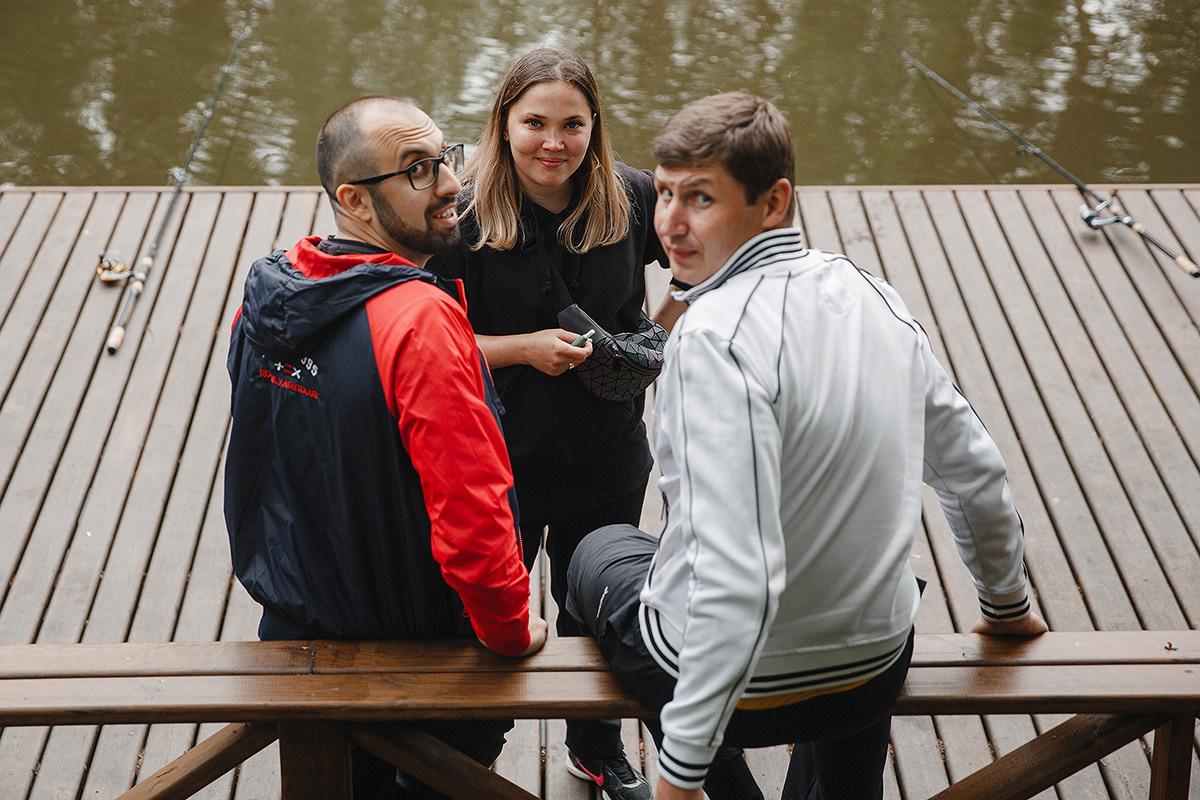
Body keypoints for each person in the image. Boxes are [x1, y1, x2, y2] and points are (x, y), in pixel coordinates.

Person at [566, 92, 1049, 800]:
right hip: (870, 673)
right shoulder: (872, 294)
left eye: (700, 198)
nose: (669, 222)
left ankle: (629, 761)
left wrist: (681, 776)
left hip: (742, 695)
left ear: (774, 201)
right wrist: (1006, 605)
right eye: (664, 193)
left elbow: (736, 578)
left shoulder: (711, 339)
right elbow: (972, 472)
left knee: (599, 549)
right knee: (850, 599)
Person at [224, 95, 548, 799]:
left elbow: (268, 459)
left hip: (293, 626)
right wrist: (510, 628)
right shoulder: (420, 321)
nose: (452, 184)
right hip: (412, 652)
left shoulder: (266, 296)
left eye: (446, 158)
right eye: (418, 170)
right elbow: (472, 513)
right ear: (354, 201)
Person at [426, 48, 683, 800]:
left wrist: (656, 334)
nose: (554, 142)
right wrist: (523, 351)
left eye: (572, 124)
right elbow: (429, 336)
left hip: (606, 453)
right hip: (494, 458)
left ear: (594, 125)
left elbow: (706, 261)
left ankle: (596, 747)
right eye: (534, 122)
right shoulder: (461, 214)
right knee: (485, 618)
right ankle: (469, 754)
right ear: (503, 125)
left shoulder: (632, 195)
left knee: (595, 613)